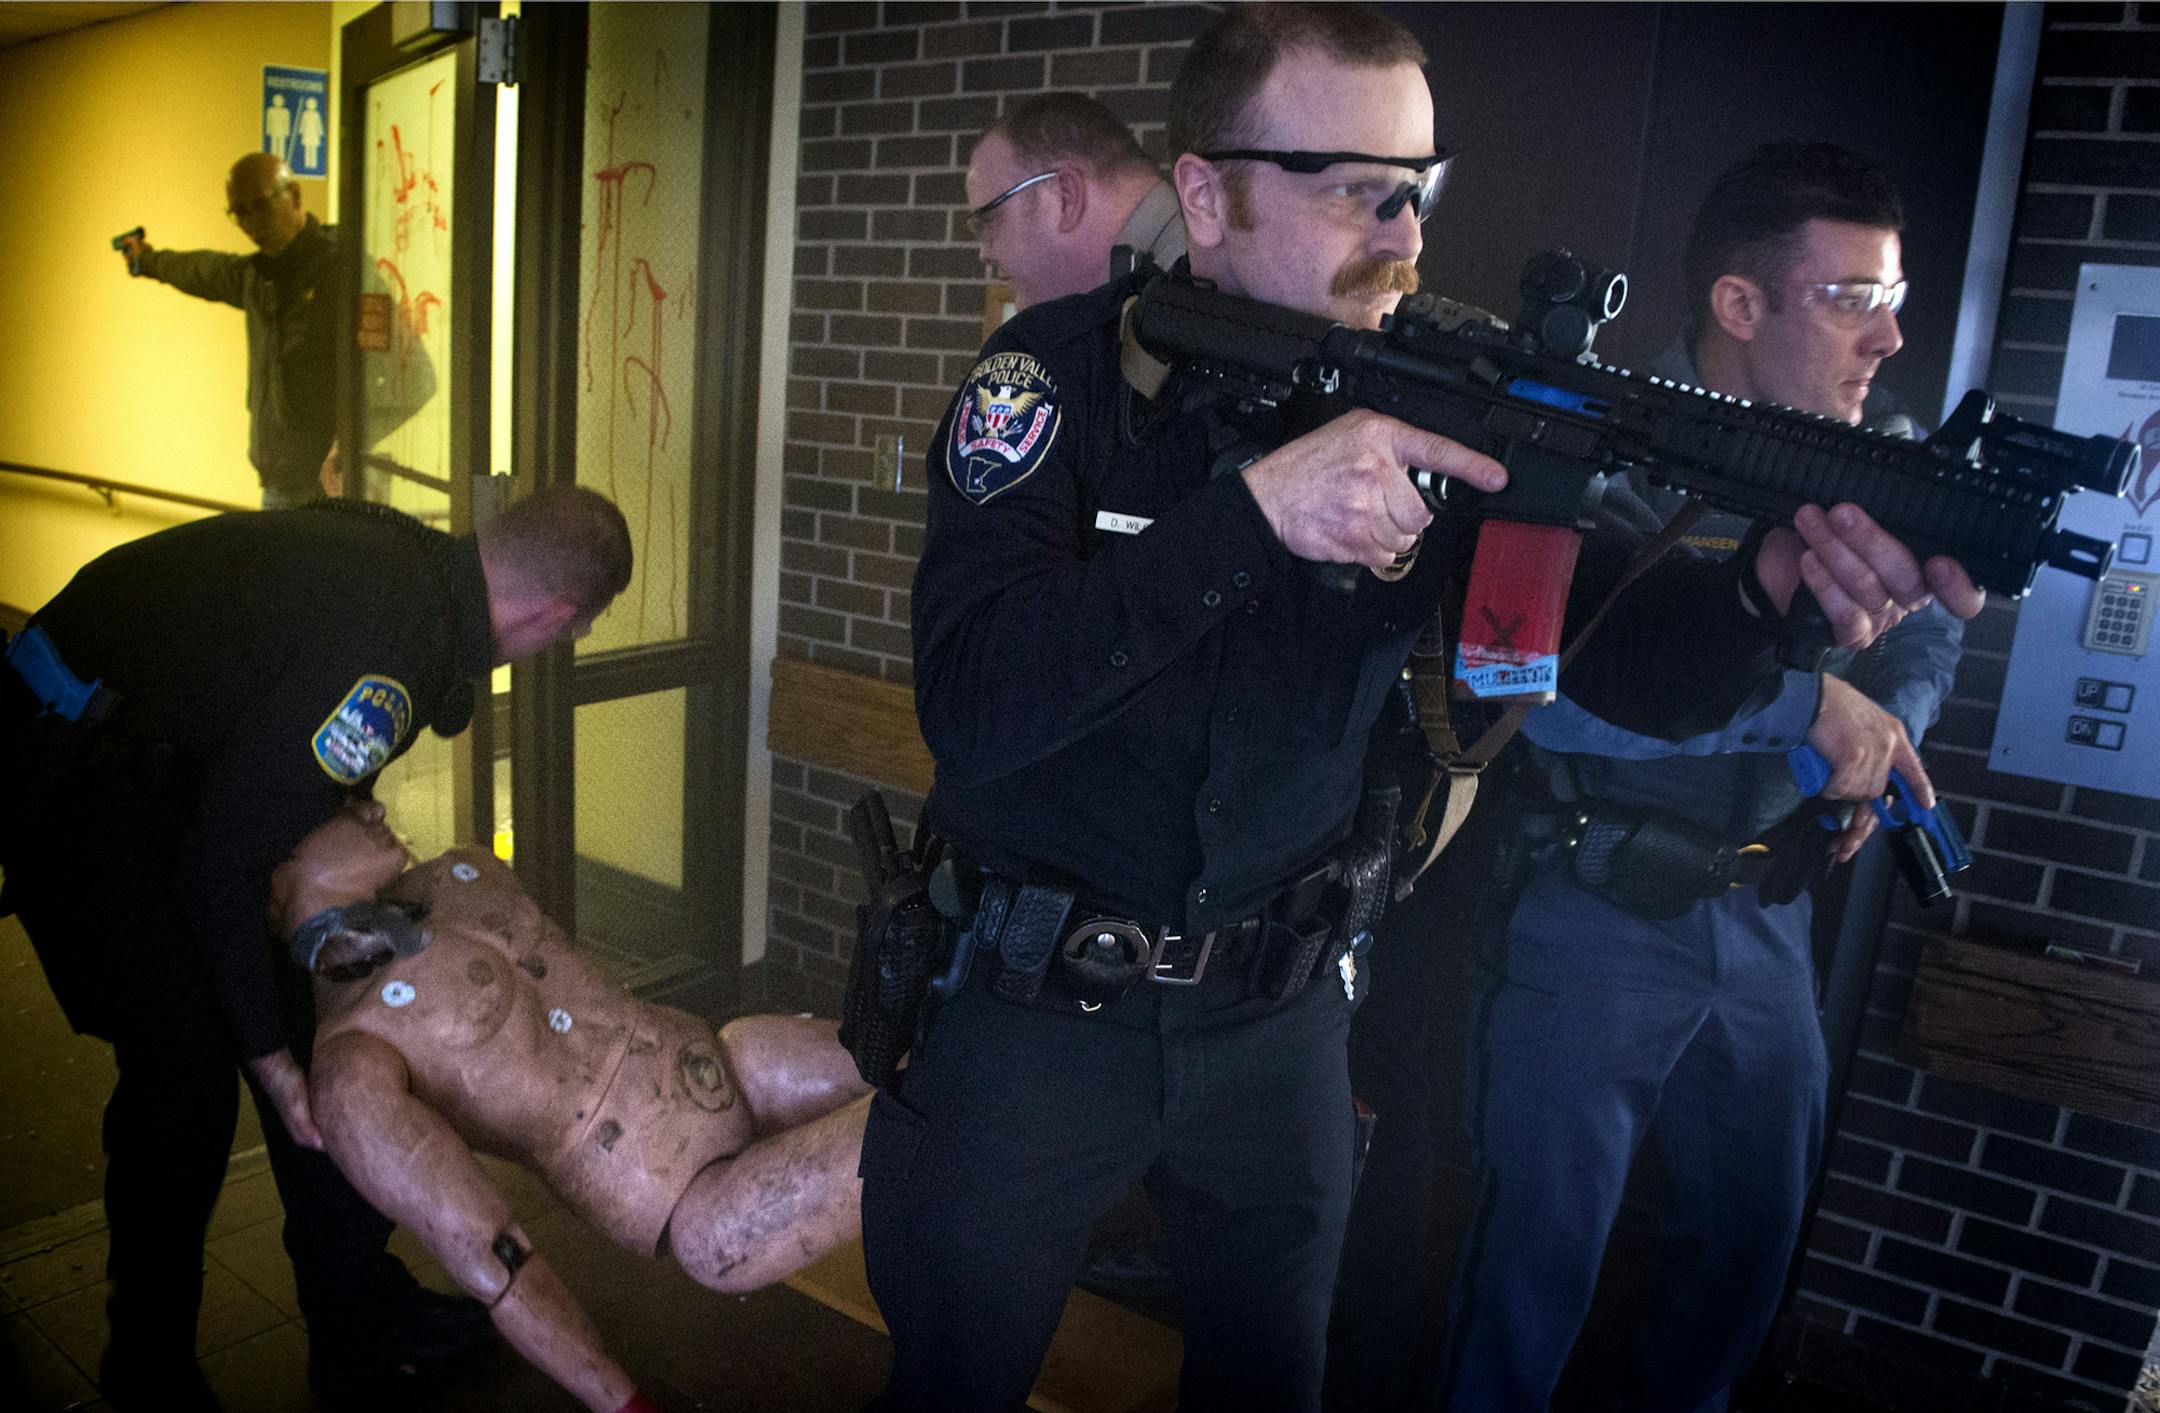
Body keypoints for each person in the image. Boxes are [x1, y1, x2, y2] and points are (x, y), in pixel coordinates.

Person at [868, 8, 1980, 1409]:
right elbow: (974, 700)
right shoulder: (1049, 382)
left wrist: (1769, 593)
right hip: (1031, 1016)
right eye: (1356, 188)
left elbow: (1598, 656)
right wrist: (1253, 516)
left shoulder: (1451, 395)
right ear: (1206, 194)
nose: (1403, 234)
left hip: (1276, 1027)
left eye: (1418, 188)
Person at [1421, 142, 1965, 1413]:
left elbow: (1928, 632)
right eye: (1851, 297)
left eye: (1893, 298)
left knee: (1745, 1261)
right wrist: (1806, 710)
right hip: (1590, 905)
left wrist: (1874, 734)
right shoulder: (1603, 444)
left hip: (1767, 911)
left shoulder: (1880, 456)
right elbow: (1539, 697)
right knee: (1524, 1270)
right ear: (1739, 303)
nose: (1888, 337)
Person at [0, 486, 632, 1411]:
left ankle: (358, 1319)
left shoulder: (420, 574)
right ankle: (146, 1367)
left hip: (164, 767)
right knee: (186, 1075)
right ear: (557, 616)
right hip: (75, 779)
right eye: (565, 635)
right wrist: (268, 1060)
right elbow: (220, 862)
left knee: (323, 1033)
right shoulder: (399, 642)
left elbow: (265, 768)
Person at [272, 804, 870, 1413]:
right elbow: (489, 1252)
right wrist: (625, 1405)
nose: (370, 806)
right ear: (278, 871)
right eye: (334, 805)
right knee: (884, 1145)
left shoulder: (461, 869)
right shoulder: (352, 1062)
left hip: (730, 1060)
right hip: (683, 1195)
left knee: (904, 1063)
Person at [117, 153, 337, 508]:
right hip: (278, 488)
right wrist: (148, 261)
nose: (250, 223)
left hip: (329, 493)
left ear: (295, 196)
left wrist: (349, 449)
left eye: (260, 206)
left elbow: (414, 376)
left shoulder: (340, 269)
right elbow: (203, 270)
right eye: (239, 212)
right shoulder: (258, 278)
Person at [966, 91, 1187, 311]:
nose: (984, 254)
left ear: (1066, 197)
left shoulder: (1177, 296)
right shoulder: (1154, 287)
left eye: (988, 220)